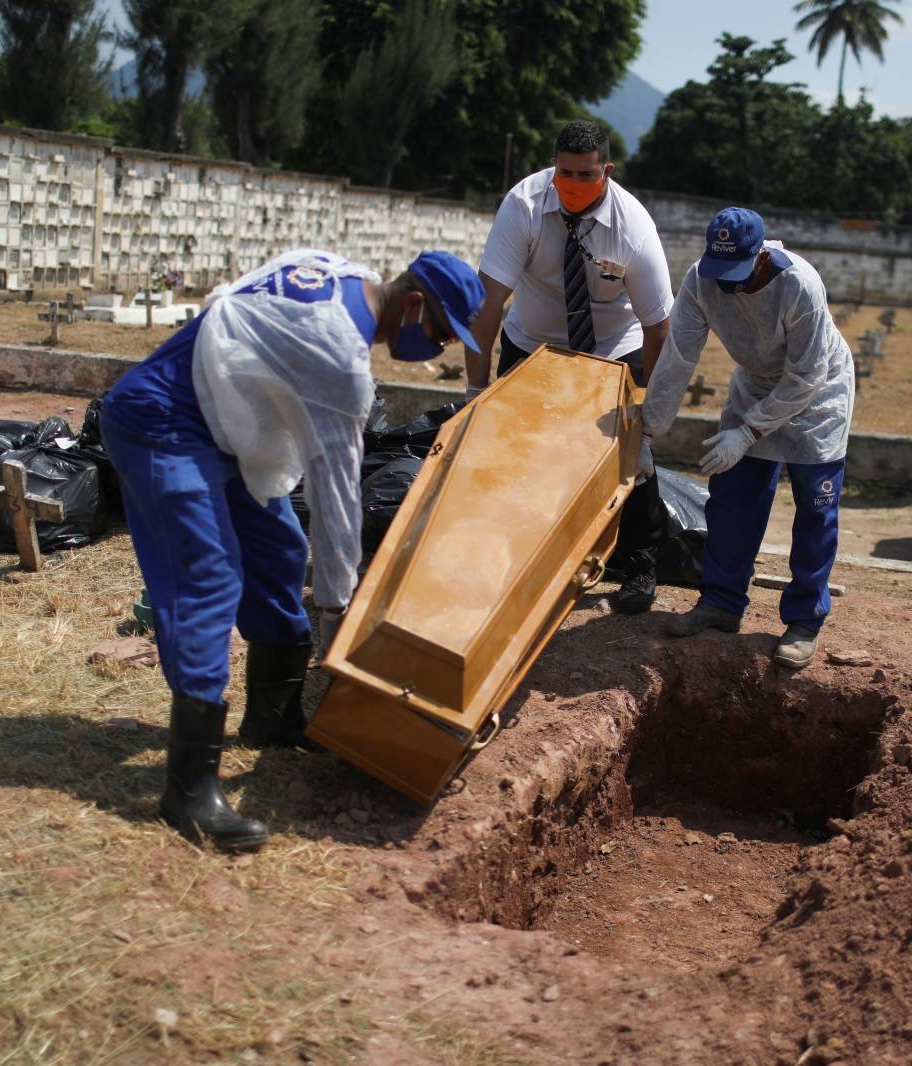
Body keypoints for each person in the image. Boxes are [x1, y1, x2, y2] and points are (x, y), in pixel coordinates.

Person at [100, 248, 483, 852]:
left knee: (279, 550)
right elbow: (337, 500)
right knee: (209, 578)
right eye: (439, 332)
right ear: (413, 306)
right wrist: (339, 612)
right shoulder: (341, 359)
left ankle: (272, 717)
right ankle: (189, 788)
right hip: (164, 419)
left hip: (228, 419)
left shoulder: (342, 271)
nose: (437, 349)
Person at [465, 119, 673, 615]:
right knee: (513, 452)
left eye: (586, 175)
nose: (574, 185)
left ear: (607, 171)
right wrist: (476, 388)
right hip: (531, 340)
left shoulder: (634, 228)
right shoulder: (524, 205)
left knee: (628, 459)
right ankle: (511, 558)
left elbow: (658, 327)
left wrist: (648, 420)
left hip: (611, 345)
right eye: (564, 173)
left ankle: (639, 564)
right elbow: (488, 301)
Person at [641, 207, 854, 670]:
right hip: (755, 386)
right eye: (722, 274)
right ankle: (721, 601)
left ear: (761, 255)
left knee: (815, 513)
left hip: (817, 395)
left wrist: (750, 431)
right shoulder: (702, 280)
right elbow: (678, 356)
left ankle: (803, 620)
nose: (729, 286)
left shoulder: (799, 285)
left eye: (738, 273)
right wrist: (649, 429)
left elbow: (806, 375)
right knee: (733, 500)